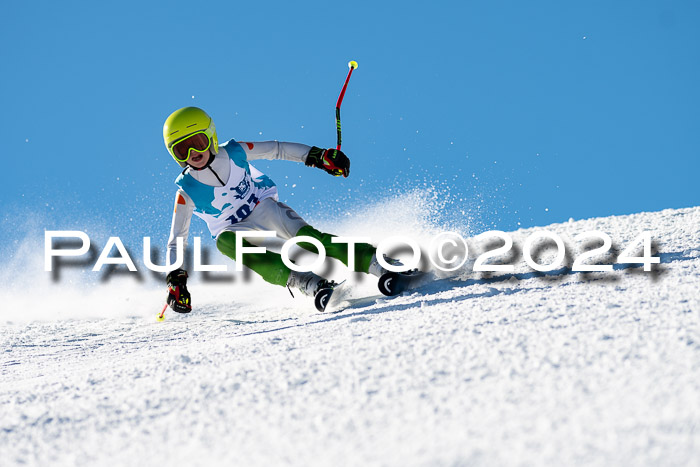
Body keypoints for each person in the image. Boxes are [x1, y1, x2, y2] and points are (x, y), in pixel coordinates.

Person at [162, 106, 405, 313]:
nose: (194, 154)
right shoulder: (187, 190)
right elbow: (177, 239)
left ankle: (377, 263)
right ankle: (306, 281)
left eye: (198, 143)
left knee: (310, 240)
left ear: (211, 137)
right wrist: (176, 278)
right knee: (224, 243)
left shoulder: (234, 152)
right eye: (183, 150)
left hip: (262, 206)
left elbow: (275, 149)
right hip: (233, 228)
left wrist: (316, 156)